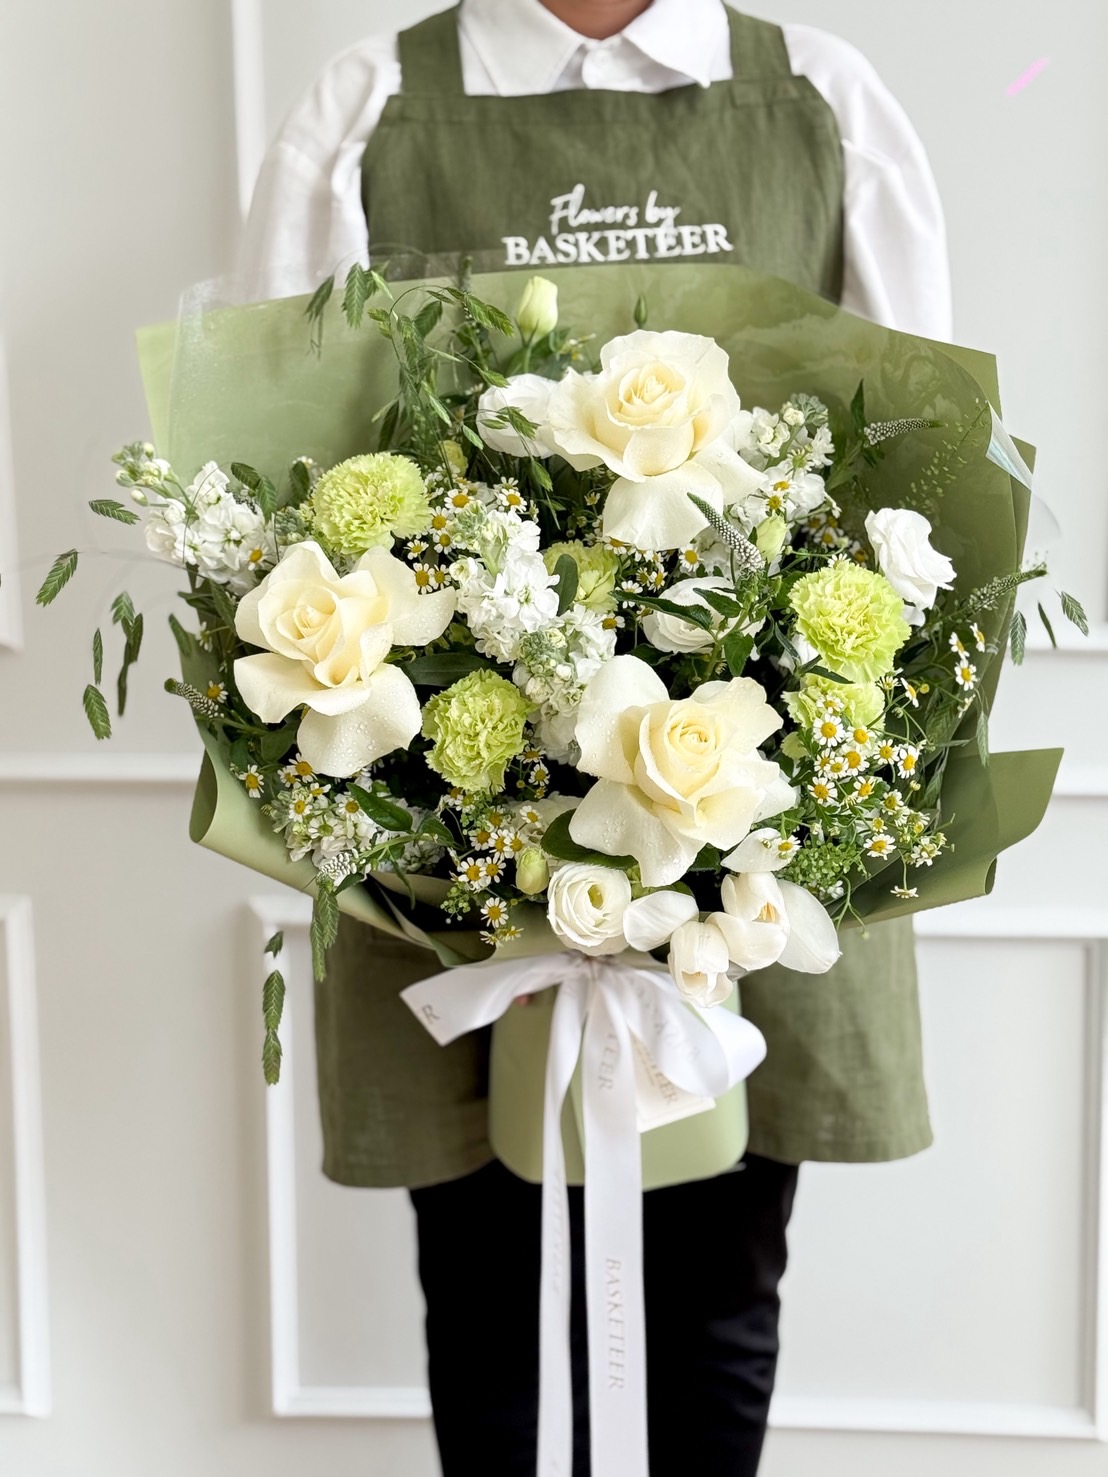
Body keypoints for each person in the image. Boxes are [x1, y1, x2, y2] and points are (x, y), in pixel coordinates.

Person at [239, 2, 952, 1473]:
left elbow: (924, 475)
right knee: (488, 1292)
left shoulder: (820, 99)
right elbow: (264, 477)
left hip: (751, 824)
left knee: (721, 1281)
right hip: (445, 838)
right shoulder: (370, 106)